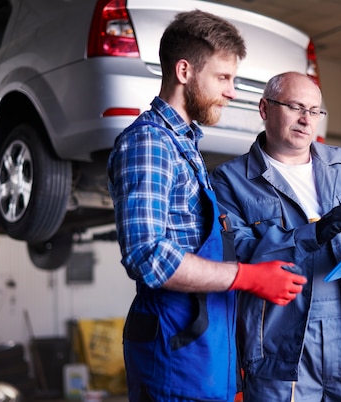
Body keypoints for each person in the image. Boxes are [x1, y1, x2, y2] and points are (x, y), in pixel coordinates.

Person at [107, 12, 307, 402]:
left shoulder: (186, 146)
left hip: (204, 360)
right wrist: (249, 277)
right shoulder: (150, 144)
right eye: (223, 78)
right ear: (184, 71)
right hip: (172, 362)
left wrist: (231, 375)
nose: (232, 91)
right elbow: (148, 257)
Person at [210, 71, 341, 401]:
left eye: (315, 110)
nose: (307, 120)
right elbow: (237, 256)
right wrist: (314, 233)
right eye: (295, 107)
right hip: (280, 352)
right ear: (264, 109)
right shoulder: (230, 181)